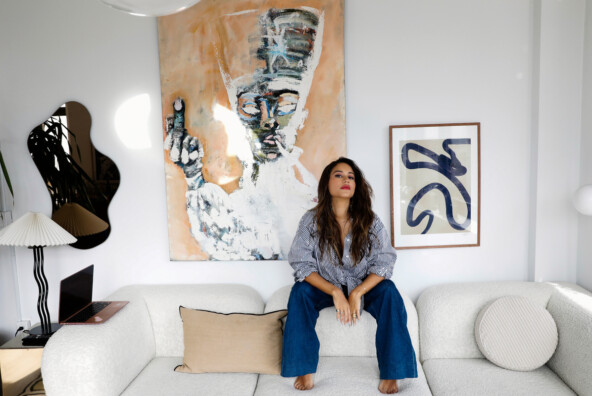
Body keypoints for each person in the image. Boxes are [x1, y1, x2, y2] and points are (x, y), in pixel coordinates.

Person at [281, 157, 417, 394]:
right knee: (300, 292)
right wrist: (334, 291)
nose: (346, 179)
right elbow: (301, 263)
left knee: (389, 292)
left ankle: (392, 372)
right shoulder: (311, 221)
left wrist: (357, 291)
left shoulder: (370, 221)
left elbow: (385, 260)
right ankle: (304, 368)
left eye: (351, 177)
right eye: (339, 175)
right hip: (325, 286)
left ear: (356, 186)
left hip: (362, 284)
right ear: (327, 183)